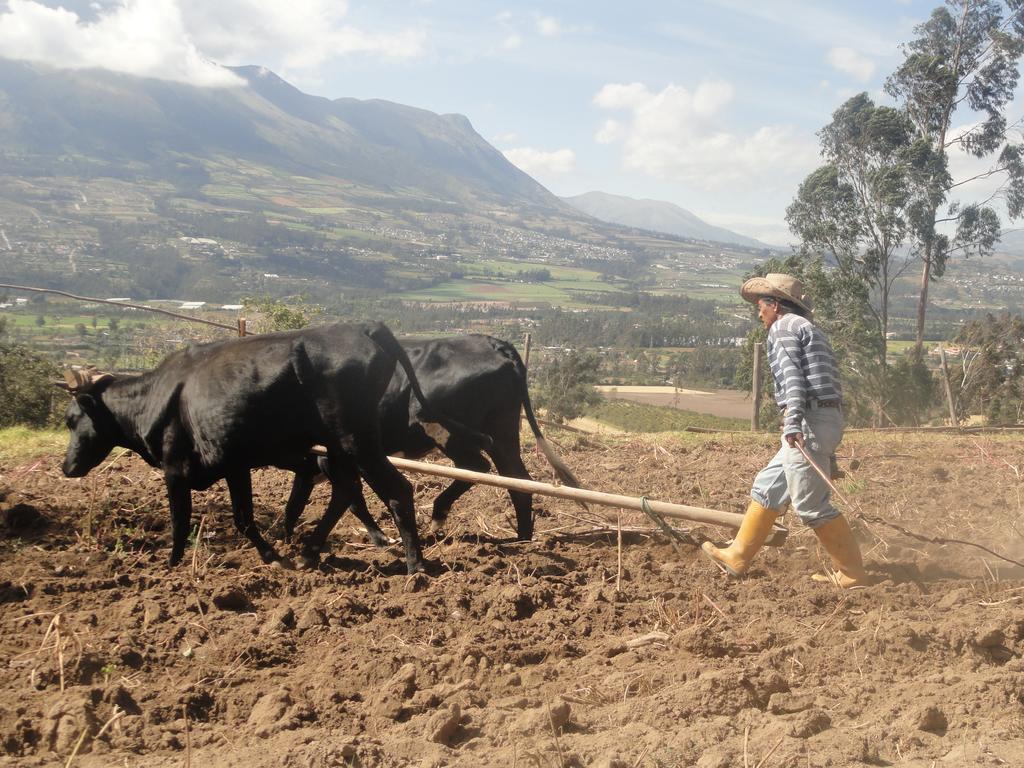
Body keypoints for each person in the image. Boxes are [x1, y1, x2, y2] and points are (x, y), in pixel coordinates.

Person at [701, 273, 869, 588]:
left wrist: (793, 421)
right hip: (822, 417)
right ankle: (738, 555)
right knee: (768, 487)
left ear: (775, 304)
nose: (758, 312)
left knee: (809, 505)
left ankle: (852, 573)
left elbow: (794, 379)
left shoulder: (782, 328)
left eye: (760, 305)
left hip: (809, 420)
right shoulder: (807, 328)